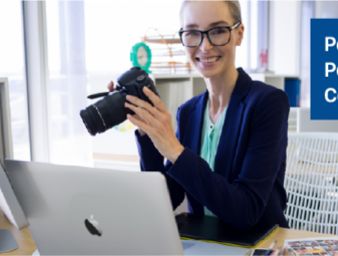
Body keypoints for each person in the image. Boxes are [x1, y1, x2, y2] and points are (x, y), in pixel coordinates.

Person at [114, 0, 290, 231]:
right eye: (193, 33)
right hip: (207, 245)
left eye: (217, 31)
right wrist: (148, 131)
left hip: (259, 245)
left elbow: (246, 211)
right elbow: (167, 199)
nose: (205, 46)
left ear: (239, 34)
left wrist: (175, 151)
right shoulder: (188, 112)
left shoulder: (268, 103)